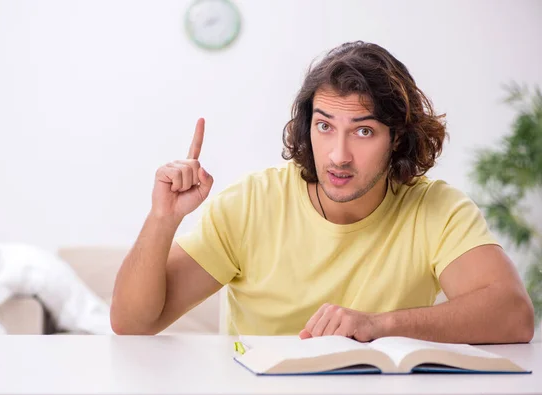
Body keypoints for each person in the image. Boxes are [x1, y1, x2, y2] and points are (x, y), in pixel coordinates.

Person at [110, 41, 534, 344]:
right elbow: (132, 323)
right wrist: (163, 218)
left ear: (398, 139)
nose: (339, 155)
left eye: (363, 131)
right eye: (325, 126)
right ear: (306, 127)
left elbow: (513, 317)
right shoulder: (252, 203)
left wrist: (378, 325)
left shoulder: (436, 207)